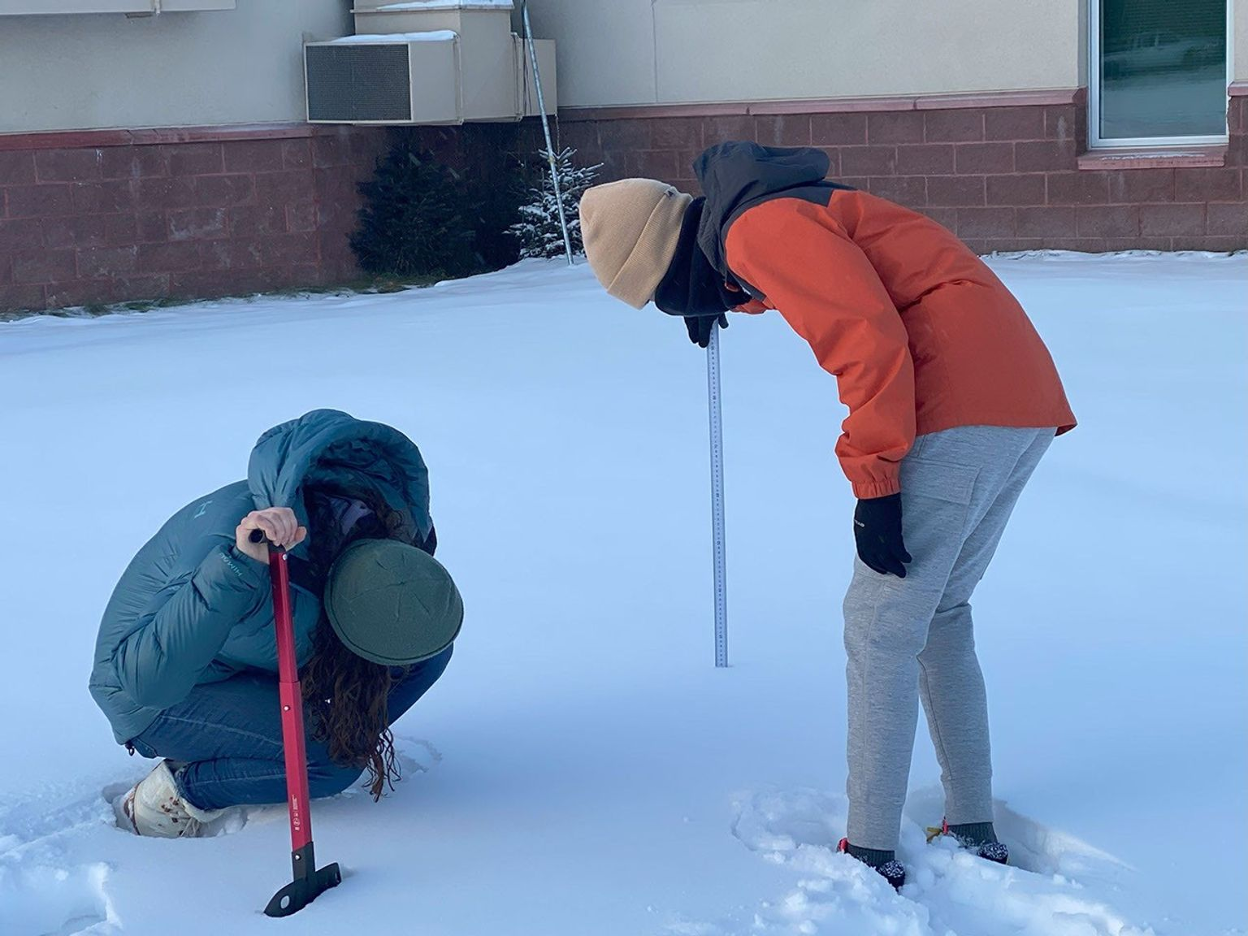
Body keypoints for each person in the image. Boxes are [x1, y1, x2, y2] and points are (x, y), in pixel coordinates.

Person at [578, 141, 1076, 889]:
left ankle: (871, 852)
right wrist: (738, 294)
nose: (672, 304)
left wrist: (875, 483)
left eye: (661, 291)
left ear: (674, 254)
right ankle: (972, 824)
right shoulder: (769, 216)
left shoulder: (758, 228)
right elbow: (845, 280)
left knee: (879, 626)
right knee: (937, 614)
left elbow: (868, 342)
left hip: (958, 403)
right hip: (1016, 398)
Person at [90, 409, 463, 838]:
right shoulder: (245, 549)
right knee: (329, 764)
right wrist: (236, 568)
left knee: (423, 652)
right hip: (160, 694)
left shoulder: (377, 524)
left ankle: (296, 741)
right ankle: (183, 790)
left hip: (246, 660)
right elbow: (146, 681)